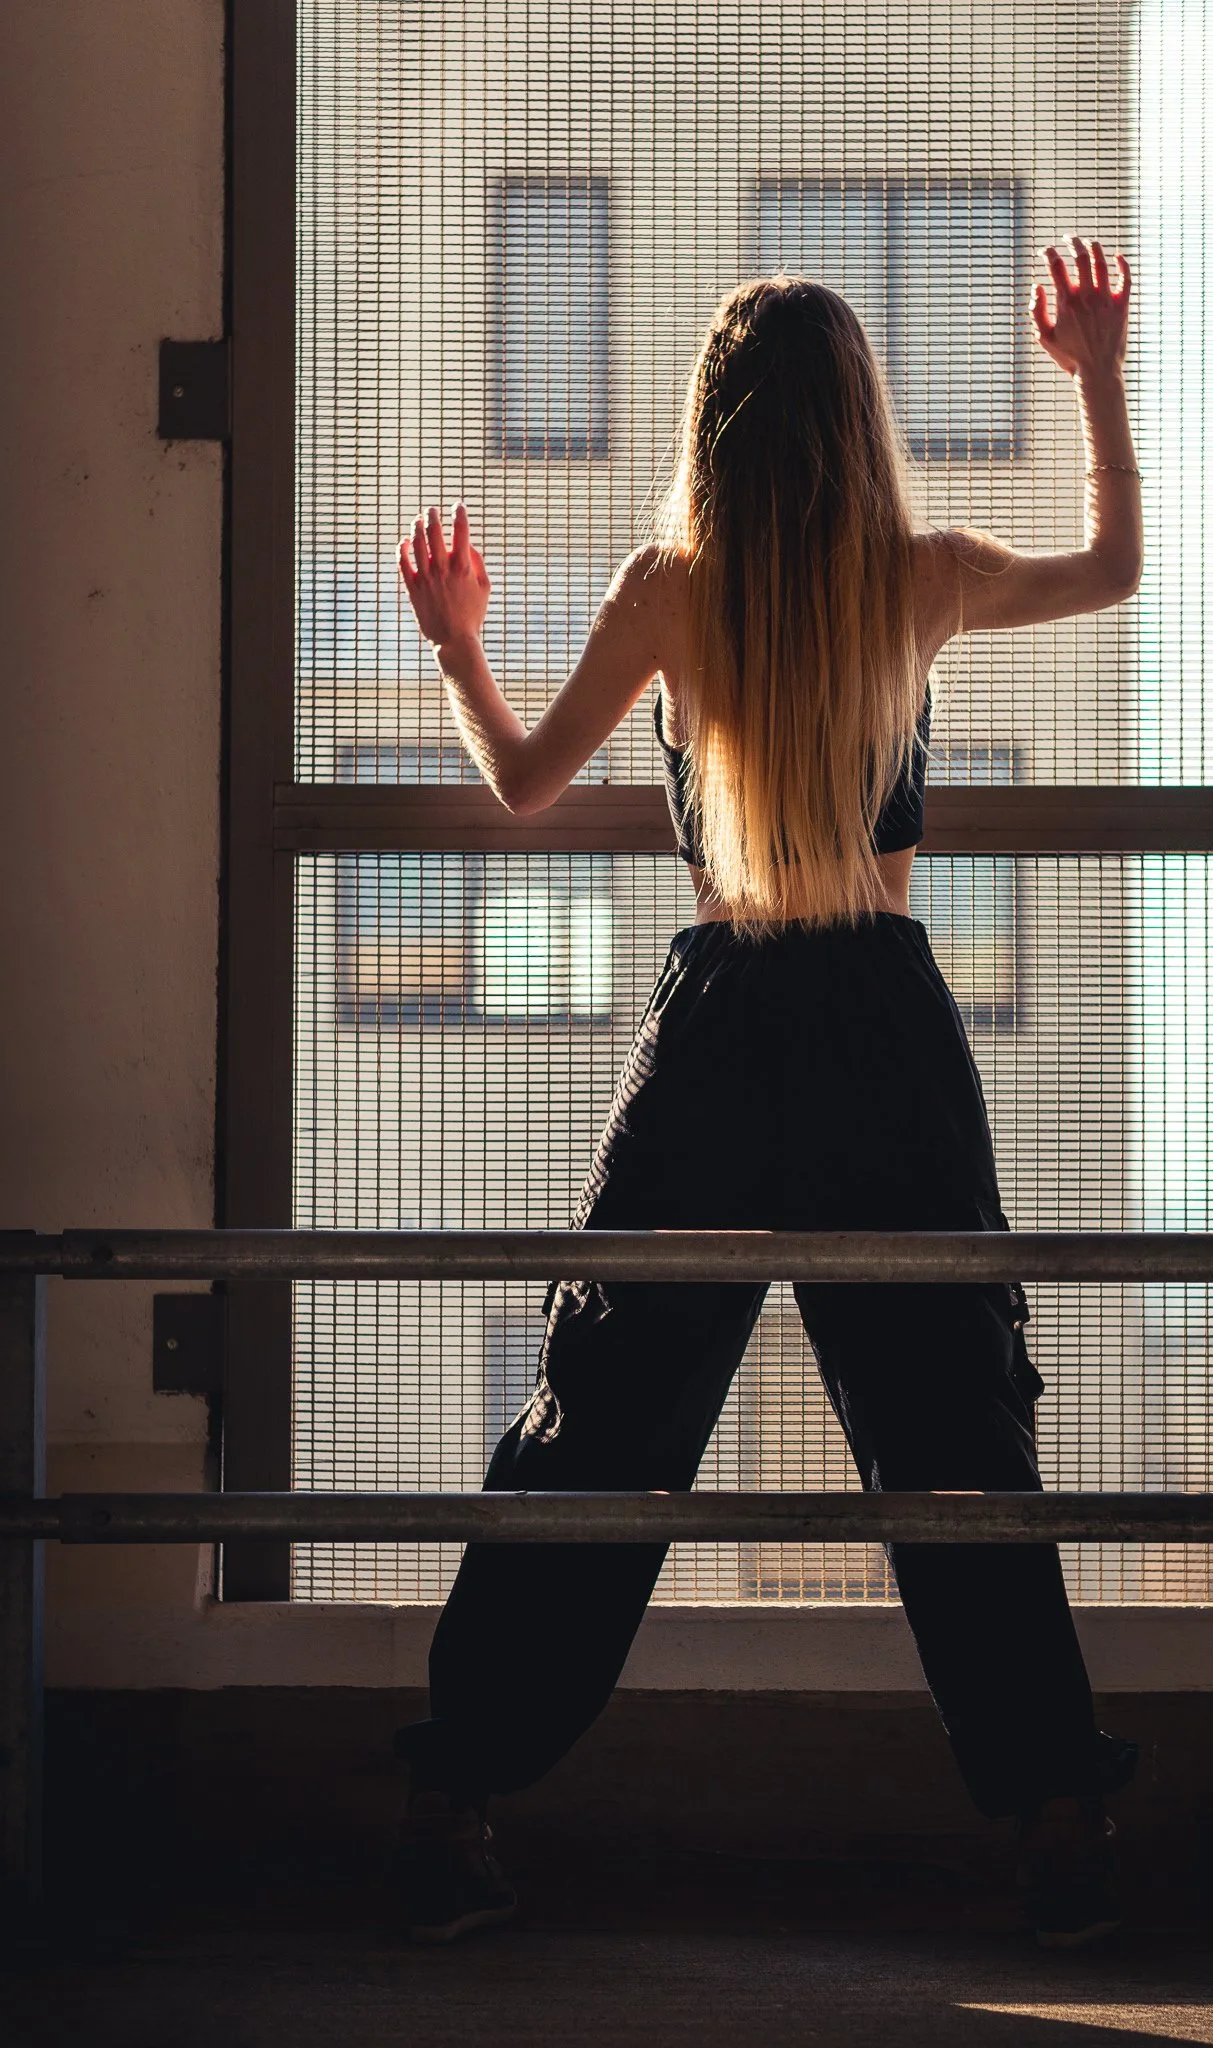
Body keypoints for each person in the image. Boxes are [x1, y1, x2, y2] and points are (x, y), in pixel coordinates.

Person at [393, 235, 1143, 1947]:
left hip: (725, 1020)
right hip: (881, 1016)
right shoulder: (920, 571)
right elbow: (1111, 565)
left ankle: (454, 1799)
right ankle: (1058, 1820)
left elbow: (518, 783)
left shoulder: (668, 591)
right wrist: (1089, 374)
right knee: (956, 1426)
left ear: (709, 429)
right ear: (862, 421)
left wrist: (454, 644)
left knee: (600, 1417)